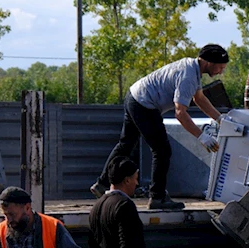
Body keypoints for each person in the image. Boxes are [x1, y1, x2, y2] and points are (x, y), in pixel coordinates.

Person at [91, 44, 230, 210]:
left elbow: (199, 99)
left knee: (126, 144)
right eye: (220, 67)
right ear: (208, 62)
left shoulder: (192, 68)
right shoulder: (188, 76)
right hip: (144, 104)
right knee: (162, 150)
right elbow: (180, 113)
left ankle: (101, 184)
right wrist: (202, 137)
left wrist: (221, 119)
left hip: (135, 96)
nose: (221, 72)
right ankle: (157, 197)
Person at [0, 186, 88, 248]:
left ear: (27, 208)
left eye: (12, 215)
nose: (9, 220)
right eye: (5, 215)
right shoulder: (2, 230)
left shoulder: (52, 226)